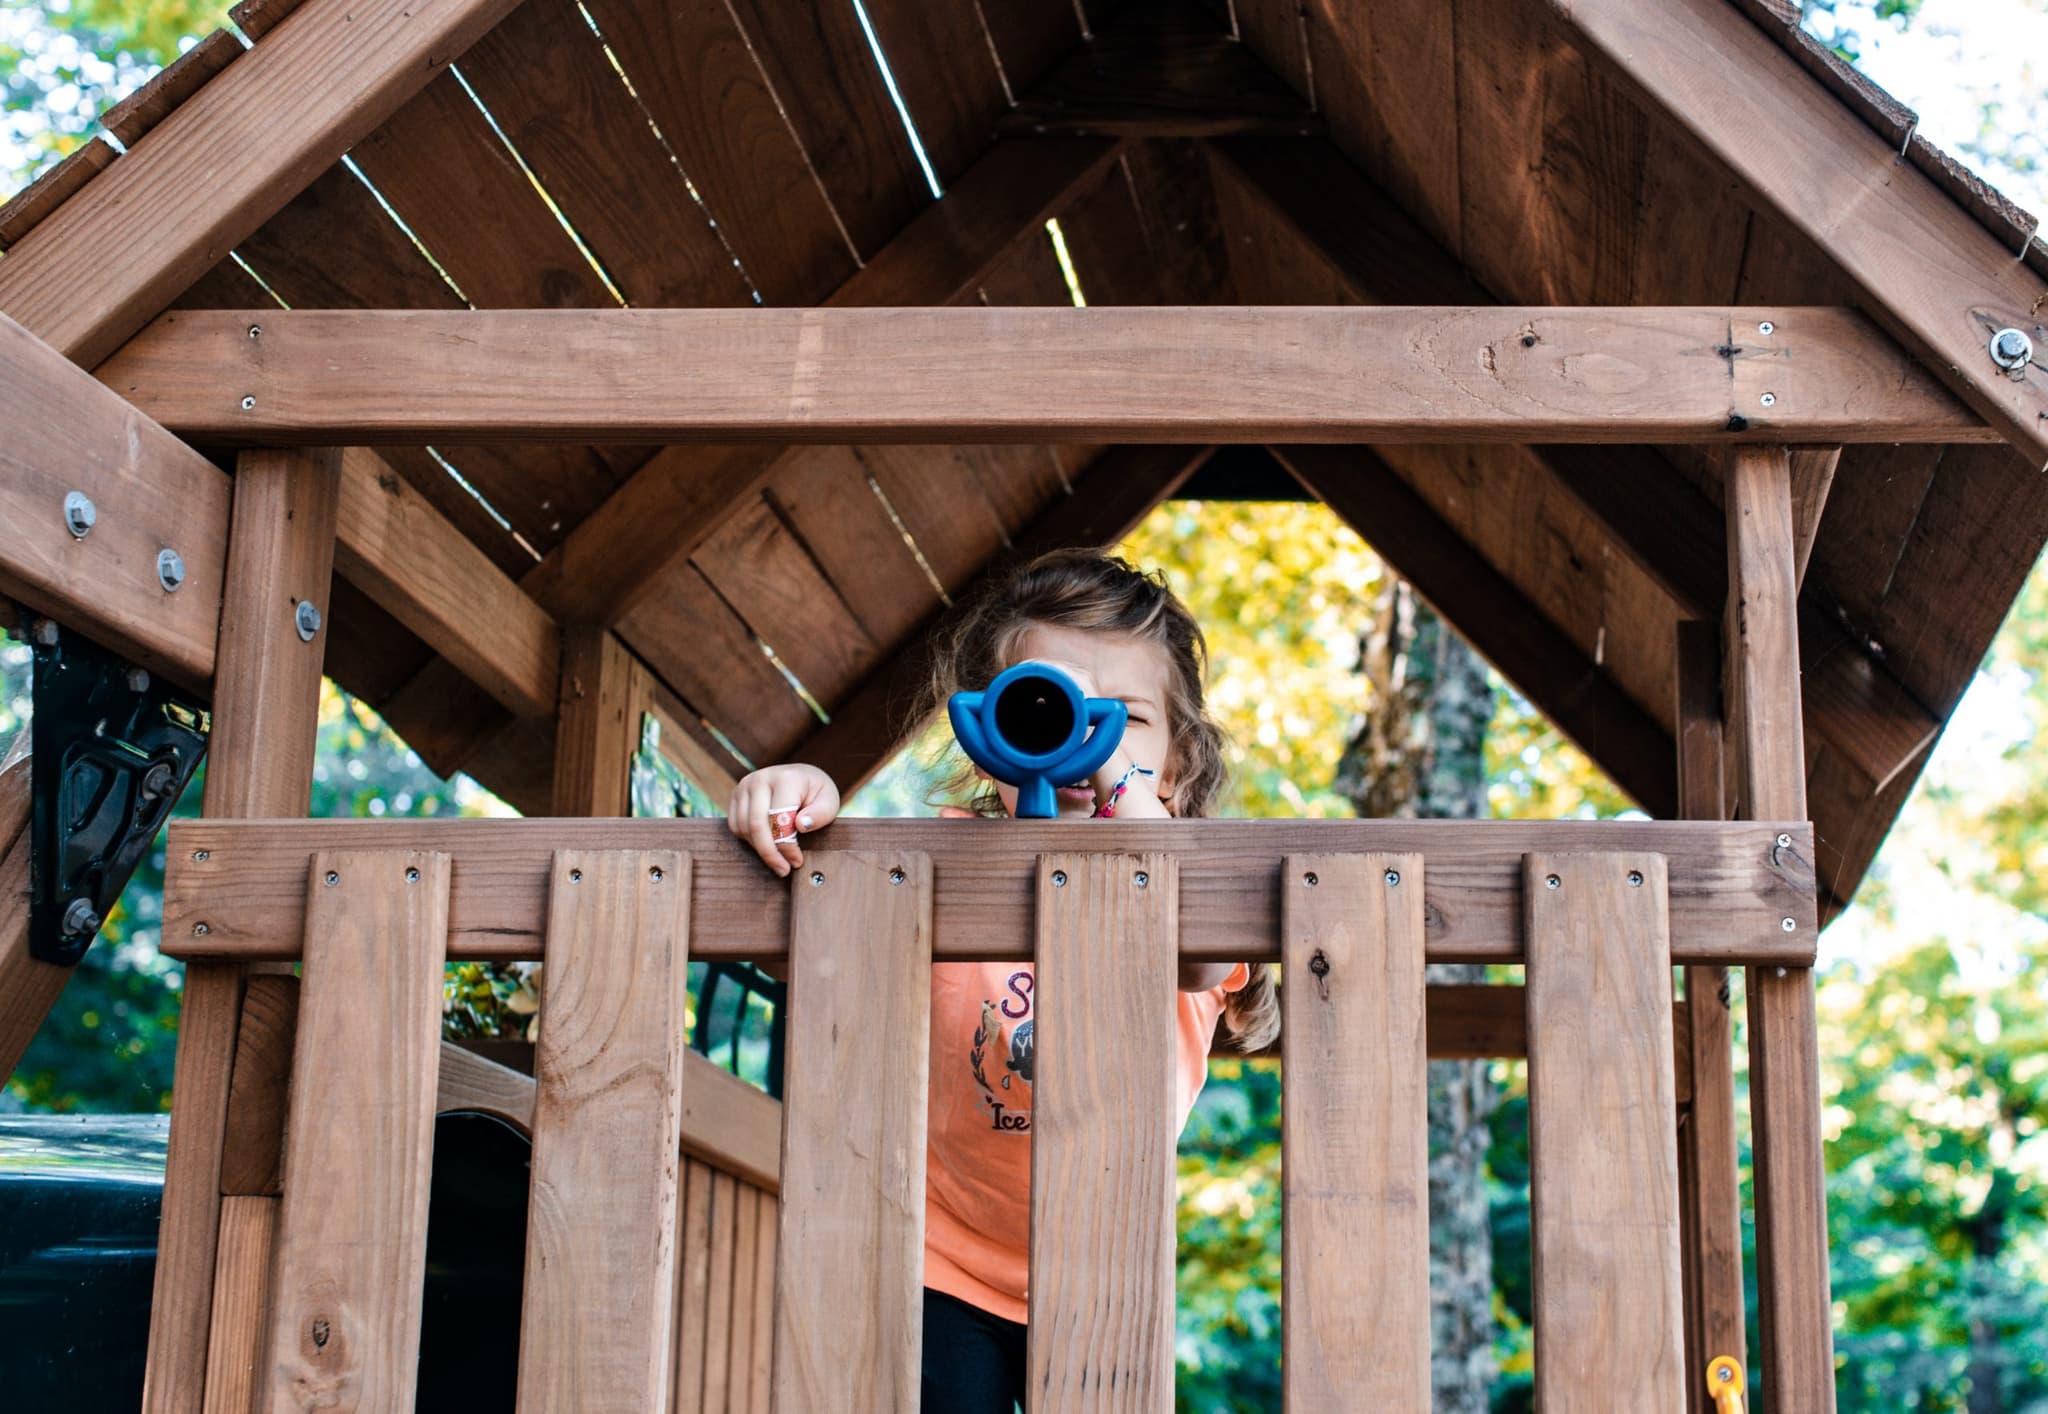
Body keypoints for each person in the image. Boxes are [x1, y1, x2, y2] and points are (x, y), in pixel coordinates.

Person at [726, 549, 1279, 1414]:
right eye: (1049, 708)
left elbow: (1201, 954)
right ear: (990, 736)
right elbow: (839, 894)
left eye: (1126, 718)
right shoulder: (946, 863)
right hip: (941, 1255)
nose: (1087, 736)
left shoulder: (1194, 884)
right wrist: (798, 797)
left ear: (1178, 763)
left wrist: (1122, 796)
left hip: (1103, 1265)